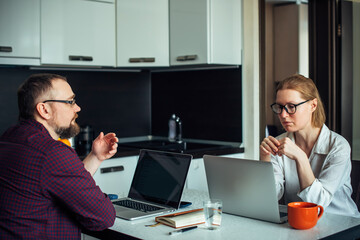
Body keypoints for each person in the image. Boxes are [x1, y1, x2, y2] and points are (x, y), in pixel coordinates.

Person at [0, 73, 118, 239]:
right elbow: (103, 217)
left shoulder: (9, 137)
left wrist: (95, 157)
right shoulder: (52, 153)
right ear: (44, 110)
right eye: (70, 102)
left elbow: (62, 184)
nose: (77, 108)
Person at [260, 74, 360, 217]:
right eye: (279, 107)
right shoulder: (279, 142)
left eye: (291, 106)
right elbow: (270, 196)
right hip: (299, 224)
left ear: (313, 105)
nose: (283, 114)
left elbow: (318, 202)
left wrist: (301, 157)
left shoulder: (338, 146)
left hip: (343, 225)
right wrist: (265, 158)